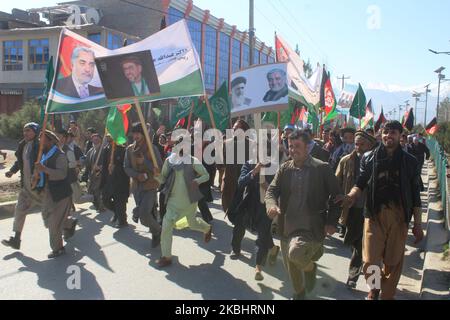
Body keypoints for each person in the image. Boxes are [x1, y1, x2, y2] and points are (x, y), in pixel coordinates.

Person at [343, 121, 424, 300]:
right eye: (385, 132)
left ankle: (387, 294)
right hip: (373, 216)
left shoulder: (410, 162)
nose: (388, 136)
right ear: (381, 134)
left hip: (399, 217)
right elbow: (361, 182)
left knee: (393, 261)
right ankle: (374, 288)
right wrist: (351, 196)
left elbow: (415, 195)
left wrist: (417, 225)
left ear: (400, 135)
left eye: (393, 133)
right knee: (370, 260)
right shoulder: (369, 157)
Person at [265, 130, 343, 300]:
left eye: (297, 146)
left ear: (307, 147)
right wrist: (271, 205)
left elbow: (337, 198)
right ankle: (299, 292)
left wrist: (331, 222)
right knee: (291, 266)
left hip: (311, 226)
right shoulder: (285, 168)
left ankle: (309, 267)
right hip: (287, 224)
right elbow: (271, 190)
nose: (292, 150)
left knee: (295, 255)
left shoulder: (322, 168)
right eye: (290, 146)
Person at [227, 138, 281, 281]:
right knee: (239, 225)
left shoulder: (274, 167)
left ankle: (258, 266)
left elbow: (279, 189)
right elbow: (240, 183)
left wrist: (267, 186)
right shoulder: (249, 163)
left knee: (262, 235)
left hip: (265, 205)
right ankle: (235, 248)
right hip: (248, 202)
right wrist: (254, 171)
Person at [155, 136, 213, 268]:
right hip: (172, 201)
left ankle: (207, 228)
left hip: (189, 201)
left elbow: (206, 175)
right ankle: (166, 256)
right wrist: (156, 175)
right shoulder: (169, 161)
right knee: (166, 226)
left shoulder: (193, 161)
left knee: (192, 224)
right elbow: (163, 179)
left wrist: (197, 181)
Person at [335, 131, 376, 289]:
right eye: (356, 144)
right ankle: (367, 278)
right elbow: (337, 181)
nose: (358, 147)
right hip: (353, 210)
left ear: (370, 145)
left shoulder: (377, 161)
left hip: (372, 212)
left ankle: (371, 284)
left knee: (369, 249)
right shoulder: (346, 161)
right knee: (354, 242)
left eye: (362, 144)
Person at [34, 130, 77, 258]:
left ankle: (58, 248)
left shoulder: (60, 155)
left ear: (51, 140)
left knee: (53, 223)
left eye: (42, 139)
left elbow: (61, 174)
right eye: (39, 139)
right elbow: (39, 171)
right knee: (47, 218)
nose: (40, 142)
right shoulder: (43, 155)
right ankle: (69, 223)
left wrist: (44, 169)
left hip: (60, 193)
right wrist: (35, 176)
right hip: (47, 192)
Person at [2, 123, 41, 250]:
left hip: (39, 186)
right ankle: (16, 239)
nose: (25, 133)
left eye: (28, 131)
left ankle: (67, 225)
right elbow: (20, 161)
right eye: (24, 131)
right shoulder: (22, 144)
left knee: (50, 212)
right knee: (19, 210)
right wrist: (12, 171)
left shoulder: (39, 146)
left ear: (35, 132)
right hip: (26, 186)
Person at [124, 123, 163, 247]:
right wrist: (136, 175)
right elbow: (126, 167)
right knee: (148, 213)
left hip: (150, 186)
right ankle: (155, 233)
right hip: (136, 187)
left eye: (138, 133)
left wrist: (145, 162)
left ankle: (158, 231)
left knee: (144, 214)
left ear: (143, 134)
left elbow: (159, 168)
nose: (135, 136)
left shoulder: (152, 149)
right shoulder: (129, 149)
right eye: (134, 133)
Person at [222, 120, 252, 213]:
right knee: (229, 206)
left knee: (243, 207)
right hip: (229, 180)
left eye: (236, 128)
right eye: (233, 128)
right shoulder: (226, 143)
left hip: (245, 180)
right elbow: (223, 163)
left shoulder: (252, 144)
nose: (234, 130)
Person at [101, 136, 130, 228]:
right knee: (105, 200)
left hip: (120, 180)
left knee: (119, 201)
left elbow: (126, 166)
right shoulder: (106, 149)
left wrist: (115, 167)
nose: (108, 136)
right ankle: (117, 212)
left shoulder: (123, 149)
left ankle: (122, 220)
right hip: (109, 180)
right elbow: (104, 166)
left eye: (110, 135)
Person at [84, 133, 105, 212]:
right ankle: (97, 204)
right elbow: (87, 161)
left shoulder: (103, 149)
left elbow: (107, 161)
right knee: (92, 190)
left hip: (101, 173)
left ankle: (101, 206)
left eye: (97, 139)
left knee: (98, 190)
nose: (95, 140)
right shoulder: (91, 150)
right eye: (93, 139)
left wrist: (100, 167)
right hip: (92, 174)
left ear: (100, 139)